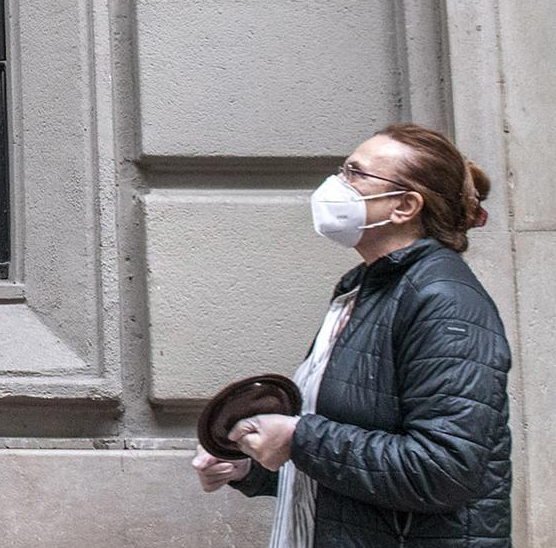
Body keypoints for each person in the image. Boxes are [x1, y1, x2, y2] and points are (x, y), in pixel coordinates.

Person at [191, 123, 511, 548]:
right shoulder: (364, 291)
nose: (336, 184)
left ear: (404, 205)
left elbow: (443, 470)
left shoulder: (443, 301)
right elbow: (353, 462)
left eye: (355, 174)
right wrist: (252, 466)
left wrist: (297, 438)